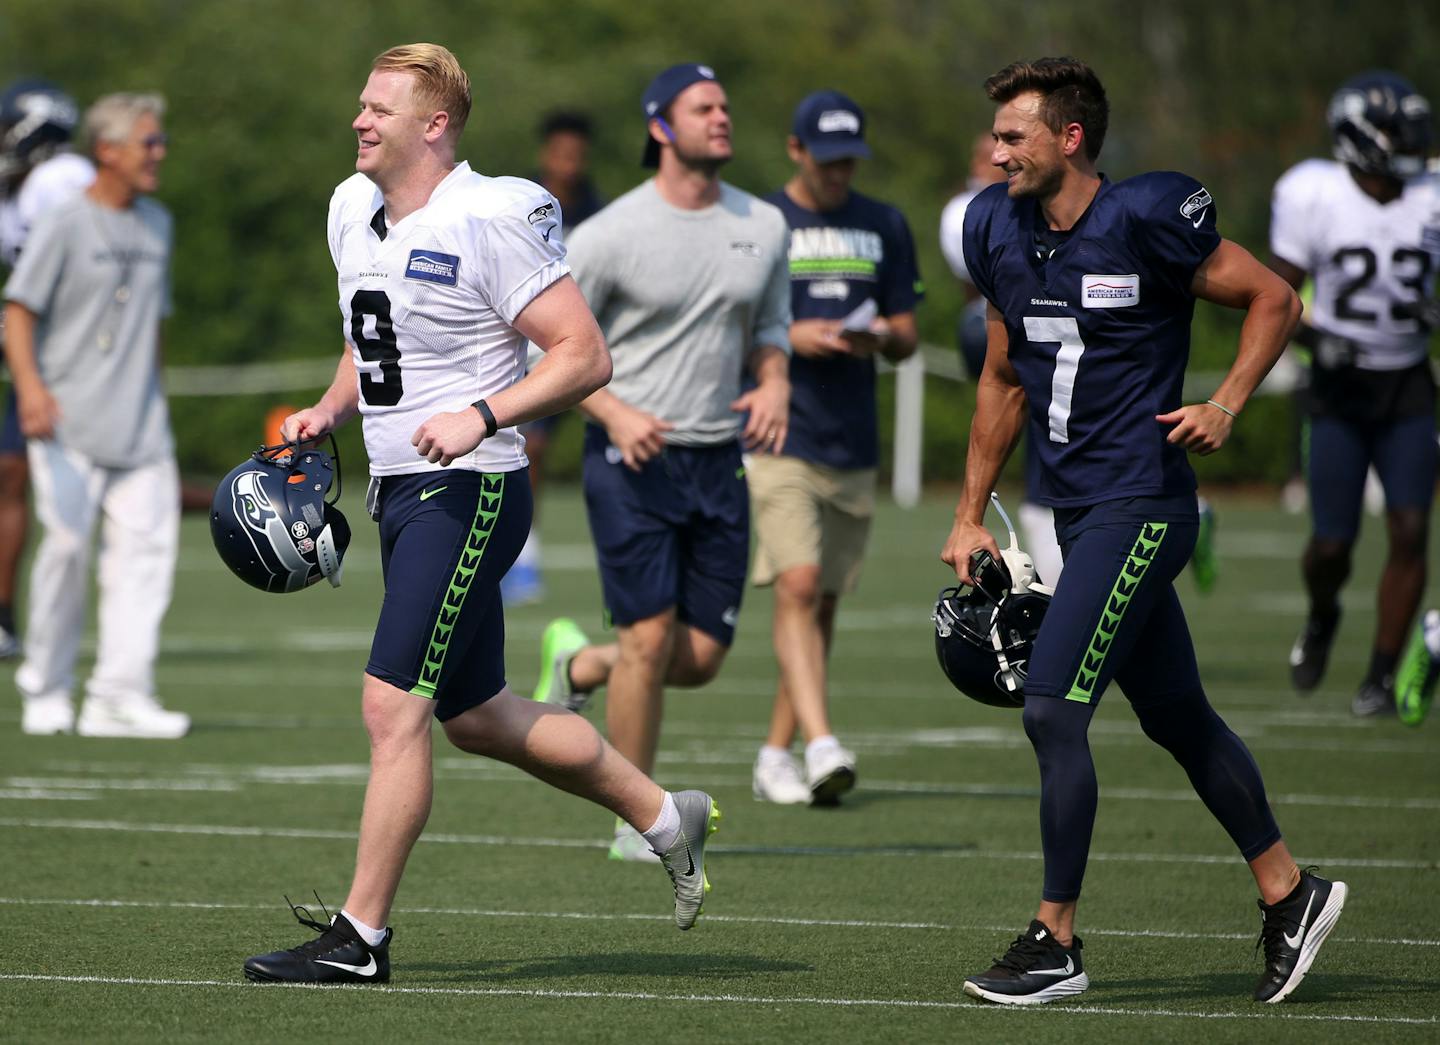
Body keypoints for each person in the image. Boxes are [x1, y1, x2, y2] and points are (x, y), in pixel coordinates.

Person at [242, 44, 719, 985]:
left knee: (391, 704)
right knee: (479, 716)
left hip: (473, 487)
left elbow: (582, 354)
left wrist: (484, 413)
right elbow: (370, 332)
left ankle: (361, 939)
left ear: (436, 124)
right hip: (398, 487)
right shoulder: (352, 206)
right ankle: (668, 815)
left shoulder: (491, 213)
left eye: (381, 106)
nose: (359, 120)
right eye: (360, 102)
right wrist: (329, 409)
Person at [942, 57, 1345, 1005]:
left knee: (1051, 707)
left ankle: (1055, 938)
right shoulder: (993, 225)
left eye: (1014, 136)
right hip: (1077, 510)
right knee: (1175, 715)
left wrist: (1229, 402)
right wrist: (967, 513)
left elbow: (1275, 297)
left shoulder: (1148, 216)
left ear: (1070, 138)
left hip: (1145, 506)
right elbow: (1001, 380)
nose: (997, 153)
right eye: (996, 137)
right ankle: (1290, 893)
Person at [531, 62, 791, 859]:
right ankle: (639, 819)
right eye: (702, 108)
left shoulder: (766, 225)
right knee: (648, 637)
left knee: (702, 658)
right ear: (661, 127)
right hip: (628, 457)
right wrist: (612, 409)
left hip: (719, 461)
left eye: (724, 106)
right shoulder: (607, 235)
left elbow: (771, 330)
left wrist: (775, 383)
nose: (722, 118)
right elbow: (551, 342)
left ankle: (580, 664)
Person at [746, 89, 921, 805]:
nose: (839, 173)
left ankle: (773, 754)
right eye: (827, 160)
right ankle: (822, 744)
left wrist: (879, 336)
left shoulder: (884, 223)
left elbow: (909, 335)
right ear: (795, 151)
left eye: (850, 160)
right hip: (780, 430)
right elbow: (734, 325)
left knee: (818, 604)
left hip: (853, 437)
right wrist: (798, 336)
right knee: (795, 583)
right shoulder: (760, 223)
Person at [2, 92, 187, 740]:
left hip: (141, 427)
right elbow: (18, 311)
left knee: (145, 561)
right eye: (148, 142)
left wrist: (156, 399)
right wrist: (29, 388)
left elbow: (153, 324)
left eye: (159, 141)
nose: (159, 152)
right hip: (66, 422)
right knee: (68, 550)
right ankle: (46, 688)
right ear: (107, 150)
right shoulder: (64, 222)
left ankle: (119, 695)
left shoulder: (159, 222)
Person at [1270, 71, 1438, 717]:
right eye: (1397, 132)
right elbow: (1274, 296)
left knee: (1411, 527)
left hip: (1408, 384)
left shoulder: (1431, 196)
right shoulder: (1314, 193)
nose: (1411, 144)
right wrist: (1317, 342)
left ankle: (1381, 677)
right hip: (1339, 388)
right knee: (1332, 544)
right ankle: (1321, 613)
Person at [940, 131, 1063, 586]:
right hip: (998, 322)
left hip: (1055, 326)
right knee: (1021, 414)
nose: (997, 161)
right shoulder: (972, 212)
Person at [0, 79, 95, 660]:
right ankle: (6, 621)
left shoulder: (59, 179)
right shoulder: (15, 192)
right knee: (10, 473)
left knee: (110, 490)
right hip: (40, 357)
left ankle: (225, 496)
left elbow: (86, 261)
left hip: (80, 358)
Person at [501, 110, 607, 605]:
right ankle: (521, 555)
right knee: (527, 448)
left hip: (577, 347)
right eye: (561, 152)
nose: (568, 163)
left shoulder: (598, 212)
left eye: (576, 154)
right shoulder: (521, 203)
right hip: (523, 343)